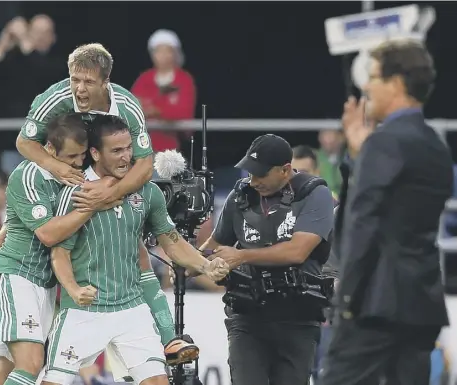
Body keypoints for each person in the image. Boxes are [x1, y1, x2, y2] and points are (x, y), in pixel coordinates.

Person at [0, 43, 197, 364]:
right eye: (75, 79)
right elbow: (24, 142)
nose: (79, 88)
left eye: (88, 81)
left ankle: (169, 337)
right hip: (60, 171)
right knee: (10, 236)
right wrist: (60, 168)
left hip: (104, 176)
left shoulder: (126, 104)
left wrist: (112, 193)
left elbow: (144, 165)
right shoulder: (55, 98)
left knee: (134, 249)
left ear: (106, 81)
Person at [43, 115, 229, 385]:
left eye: (128, 148)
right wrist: (73, 289)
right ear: (95, 153)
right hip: (84, 310)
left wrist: (205, 265)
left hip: (131, 309)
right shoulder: (76, 192)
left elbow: (171, 239)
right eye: (116, 150)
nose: (126, 157)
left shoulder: (147, 191)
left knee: (157, 382)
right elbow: (59, 252)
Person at [320, 40, 454, 385]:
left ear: (396, 83)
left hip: (373, 304)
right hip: (420, 304)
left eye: (374, 77)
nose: (367, 87)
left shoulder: (385, 144)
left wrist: (346, 297)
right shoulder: (436, 146)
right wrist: (359, 152)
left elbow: (361, 221)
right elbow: (400, 210)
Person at [174, 134, 335, 385]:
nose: (253, 180)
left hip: (297, 317)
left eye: (260, 174)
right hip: (248, 315)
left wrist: (241, 256)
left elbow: (297, 251)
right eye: (250, 172)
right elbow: (214, 245)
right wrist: (189, 265)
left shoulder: (314, 194)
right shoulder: (240, 197)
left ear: (284, 170)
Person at [0, 114, 120, 385]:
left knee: (6, 371)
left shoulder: (72, 177)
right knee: (32, 363)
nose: (78, 163)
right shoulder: (29, 175)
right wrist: (91, 206)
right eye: (70, 156)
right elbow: (47, 234)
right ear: (49, 150)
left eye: (82, 155)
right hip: (17, 275)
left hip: (43, 284)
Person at [131, 29, 196, 152]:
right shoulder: (145, 79)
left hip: (174, 147)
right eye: (159, 51)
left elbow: (184, 113)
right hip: (142, 146)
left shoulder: (184, 79)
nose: (163, 56)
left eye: (167, 51)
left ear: (175, 53)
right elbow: (132, 107)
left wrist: (156, 111)